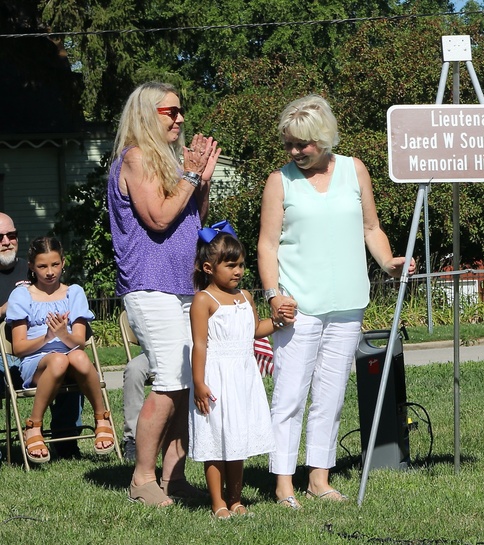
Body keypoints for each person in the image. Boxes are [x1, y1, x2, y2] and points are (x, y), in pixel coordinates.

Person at [259, 94, 413, 508]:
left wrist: (388, 261)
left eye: (302, 144)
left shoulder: (353, 169)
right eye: (289, 144)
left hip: (347, 302)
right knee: (290, 395)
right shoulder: (280, 181)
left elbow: (371, 228)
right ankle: (283, 483)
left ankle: (319, 479)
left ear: (323, 138)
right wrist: (274, 295)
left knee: (331, 394)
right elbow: (267, 245)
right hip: (297, 306)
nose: (295, 152)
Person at [108, 81, 221, 506]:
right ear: (145, 115)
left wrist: (201, 182)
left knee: (190, 384)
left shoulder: (170, 162)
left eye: (180, 110)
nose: (179, 118)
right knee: (170, 381)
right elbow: (158, 219)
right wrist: (190, 174)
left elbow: (191, 220)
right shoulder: (136, 159)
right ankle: (142, 479)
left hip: (183, 284)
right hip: (149, 286)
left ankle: (173, 479)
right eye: (169, 111)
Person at [189, 226, 277, 519]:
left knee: (236, 437)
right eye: (230, 265)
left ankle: (236, 498)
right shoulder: (204, 300)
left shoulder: (245, 296)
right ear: (208, 267)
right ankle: (217, 502)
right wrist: (199, 382)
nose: (238, 271)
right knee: (215, 439)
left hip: (242, 376)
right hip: (215, 378)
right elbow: (199, 345)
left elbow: (255, 331)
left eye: (240, 264)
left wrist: (278, 321)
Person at [7, 236, 114, 463]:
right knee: (58, 360)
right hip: (36, 363)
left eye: (55, 265)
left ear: (63, 262)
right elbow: (18, 348)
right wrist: (47, 337)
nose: (49, 272)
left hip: (71, 357)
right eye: (42, 266)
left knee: (78, 356)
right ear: (31, 267)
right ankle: (34, 425)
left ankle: (102, 418)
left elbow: (80, 341)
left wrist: (63, 334)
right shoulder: (21, 295)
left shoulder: (73, 292)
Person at [0, 213, 84, 459]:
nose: (6, 241)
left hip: (41, 350)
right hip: (7, 354)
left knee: (68, 360)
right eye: (0, 237)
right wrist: (5, 309)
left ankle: (65, 440)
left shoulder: (37, 271)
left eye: (11, 235)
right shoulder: (23, 291)